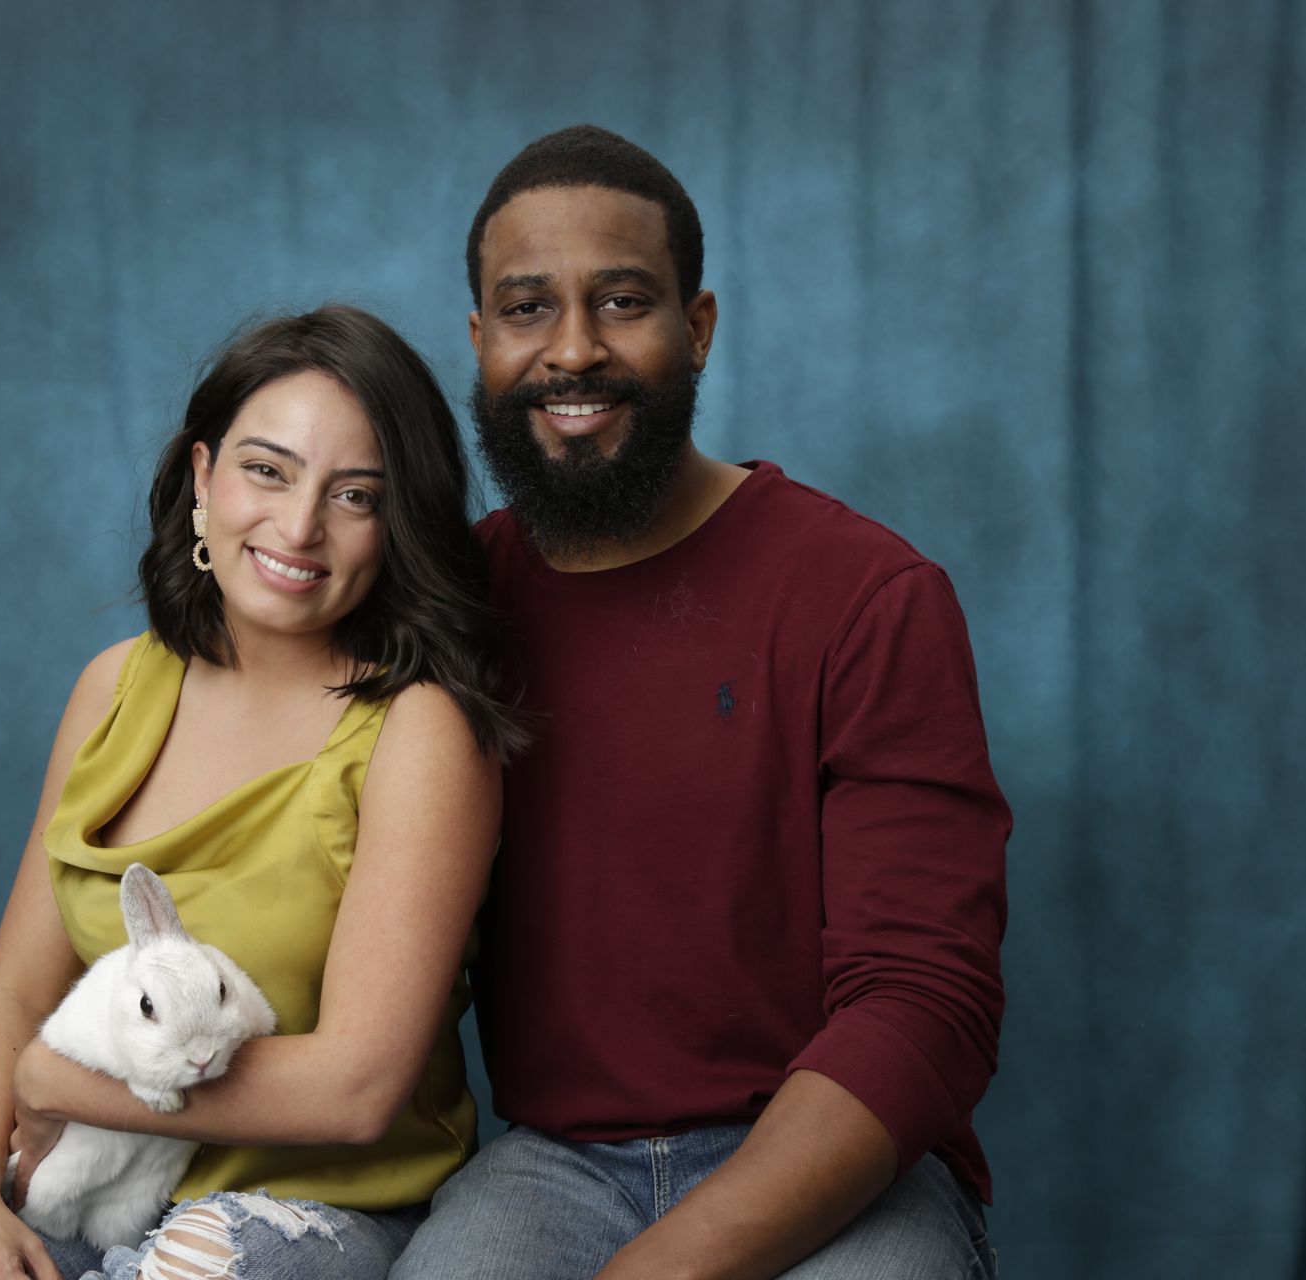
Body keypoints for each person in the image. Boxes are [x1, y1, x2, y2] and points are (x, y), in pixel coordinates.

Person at [386, 126, 1011, 1278]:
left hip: (833, 1162)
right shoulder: (447, 608)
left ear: (700, 327)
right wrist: (21, 1131)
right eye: (528, 310)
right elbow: (265, 871)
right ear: (480, 344)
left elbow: (927, 998)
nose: (572, 349)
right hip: (554, 1162)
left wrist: (667, 1265)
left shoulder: (869, 594)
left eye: (622, 300)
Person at [0, 305, 525, 1280]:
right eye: (268, 469)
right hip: (98, 1178)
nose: (299, 526)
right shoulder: (111, 687)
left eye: (355, 495)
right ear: (202, 476)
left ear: (396, 526)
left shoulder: (421, 731)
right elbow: (14, 986)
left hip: (322, 1204)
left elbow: (356, 1087)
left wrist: (54, 1079)